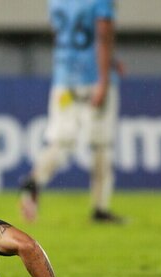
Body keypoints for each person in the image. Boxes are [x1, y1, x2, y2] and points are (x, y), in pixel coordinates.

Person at [19, 0, 123, 223]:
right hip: (93, 79)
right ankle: (100, 208)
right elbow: (102, 36)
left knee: (61, 140)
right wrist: (104, 80)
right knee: (101, 143)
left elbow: (63, 36)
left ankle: (35, 180)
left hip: (64, 81)